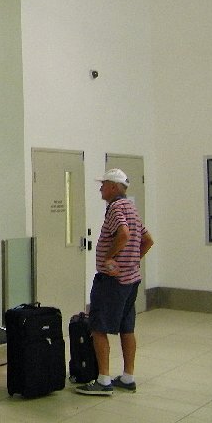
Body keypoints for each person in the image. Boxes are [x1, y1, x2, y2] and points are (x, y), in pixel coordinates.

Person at [77, 168, 153, 396]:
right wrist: (131, 261)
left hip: (112, 282)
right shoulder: (131, 207)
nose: (100, 188)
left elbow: (124, 234)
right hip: (131, 280)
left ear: (112, 187)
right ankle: (128, 376)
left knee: (98, 327)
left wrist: (110, 257)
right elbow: (147, 240)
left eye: (103, 185)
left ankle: (103, 380)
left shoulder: (115, 208)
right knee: (126, 328)